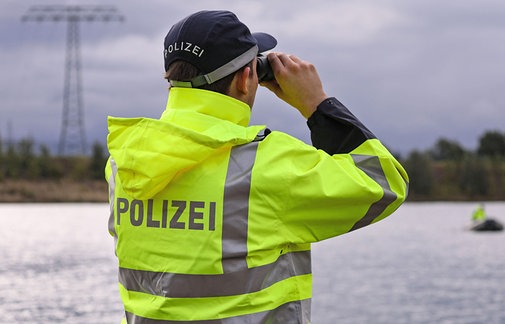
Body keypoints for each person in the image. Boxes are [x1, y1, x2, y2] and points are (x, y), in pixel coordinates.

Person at [105, 10, 409, 323]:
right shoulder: (266, 163)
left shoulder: (124, 160)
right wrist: (317, 105)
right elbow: (385, 183)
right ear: (246, 78)